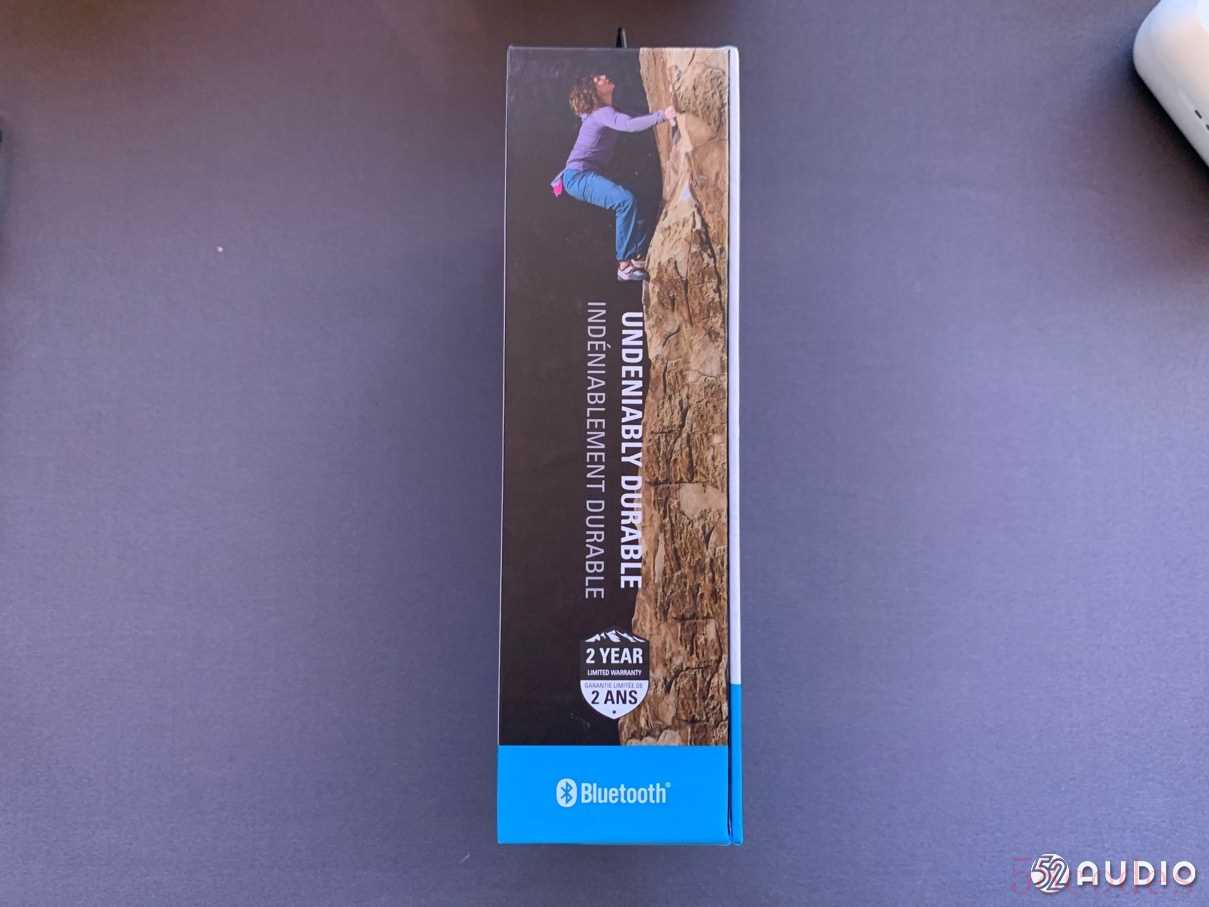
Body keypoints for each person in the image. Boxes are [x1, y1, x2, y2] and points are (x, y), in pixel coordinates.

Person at [552, 73, 676, 282]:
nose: (603, 77)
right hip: (577, 177)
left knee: (641, 198)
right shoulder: (601, 113)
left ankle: (637, 256)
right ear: (593, 91)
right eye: (597, 80)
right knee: (625, 201)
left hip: (583, 175)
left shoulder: (606, 112)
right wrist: (663, 115)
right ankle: (624, 264)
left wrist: (660, 113)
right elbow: (629, 125)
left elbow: (633, 118)